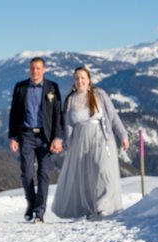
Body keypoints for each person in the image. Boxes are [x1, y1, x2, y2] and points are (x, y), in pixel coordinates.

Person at [52, 66, 129, 220]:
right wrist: (65, 143)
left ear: (89, 80)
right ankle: (88, 207)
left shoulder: (99, 94)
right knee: (85, 174)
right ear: (74, 81)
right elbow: (67, 124)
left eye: (83, 78)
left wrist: (123, 135)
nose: (80, 81)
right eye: (77, 78)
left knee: (103, 169)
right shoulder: (70, 99)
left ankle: (103, 206)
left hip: (101, 137)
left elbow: (113, 116)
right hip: (80, 139)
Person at [8, 57, 64, 222]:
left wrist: (58, 138)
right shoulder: (20, 87)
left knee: (44, 174)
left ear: (44, 70)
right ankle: (31, 204)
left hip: (46, 137)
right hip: (26, 135)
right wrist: (13, 137)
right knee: (26, 174)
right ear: (29, 69)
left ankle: (39, 212)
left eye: (38, 68)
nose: (35, 71)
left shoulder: (52, 87)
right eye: (32, 68)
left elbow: (57, 115)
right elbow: (13, 114)